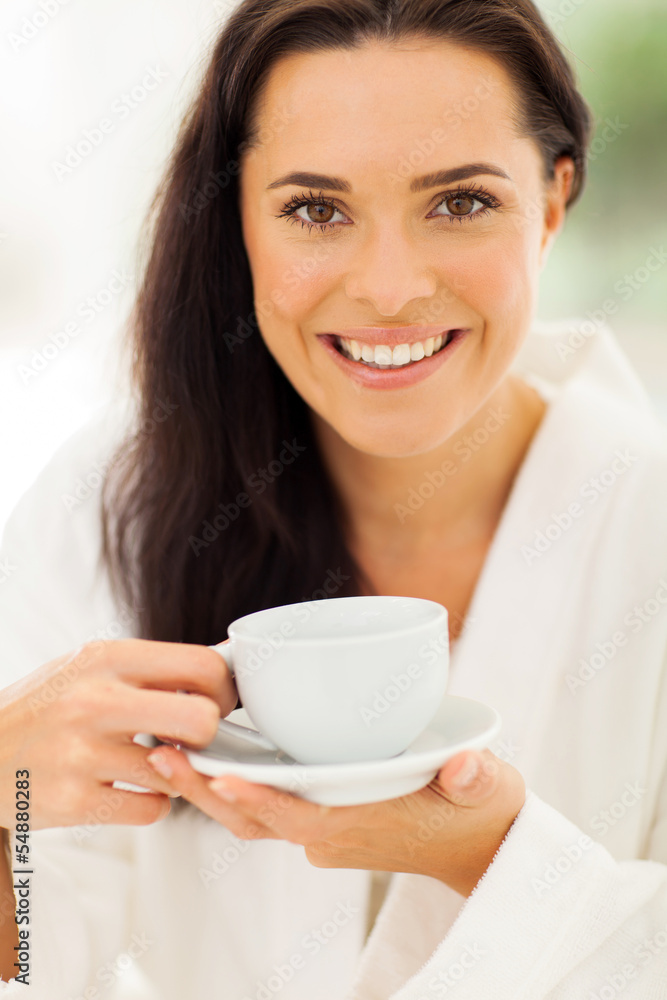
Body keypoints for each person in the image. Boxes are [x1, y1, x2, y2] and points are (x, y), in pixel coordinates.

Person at [1, 0, 666, 996]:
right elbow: (34, 945)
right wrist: (4, 798)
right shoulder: (104, 510)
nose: (390, 287)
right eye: (315, 208)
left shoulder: (640, 520)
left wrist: (491, 856)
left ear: (554, 197)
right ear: (235, 220)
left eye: (460, 202)